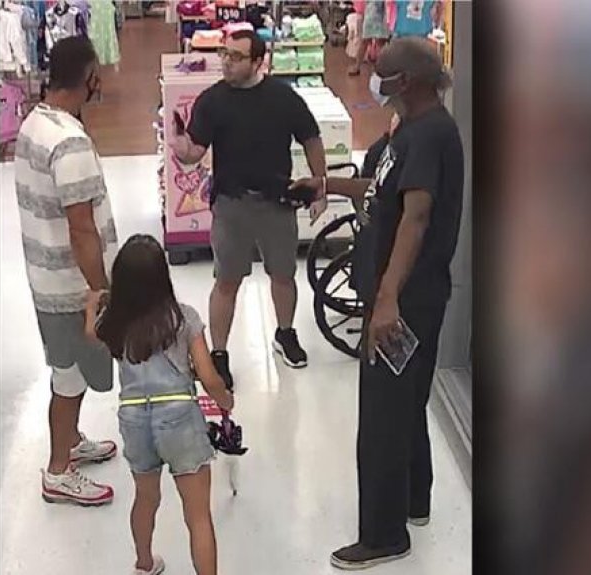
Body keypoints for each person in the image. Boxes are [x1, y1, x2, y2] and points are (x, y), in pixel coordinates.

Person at [294, 37, 464, 569]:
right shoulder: (409, 133)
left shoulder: (432, 135)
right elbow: (380, 191)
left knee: (384, 416)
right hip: (402, 294)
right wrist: (324, 183)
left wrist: (387, 298)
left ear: (406, 82)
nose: (370, 72)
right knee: (406, 405)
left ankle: (384, 535)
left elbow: (415, 217)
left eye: (380, 70)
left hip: (406, 300)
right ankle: (414, 500)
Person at [169, 29, 329, 386]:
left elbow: (311, 138)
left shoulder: (283, 98)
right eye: (225, 54)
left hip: (277, 201)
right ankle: (220, 353)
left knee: (283, 274)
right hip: (231, 203)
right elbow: (195, 152)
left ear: (259, 61)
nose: (227, 61)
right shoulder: (212, 101)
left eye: (237, 56)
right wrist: (182, 149)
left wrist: (321, 185)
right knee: (227, 280)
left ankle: (285, 334)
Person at [85, 234, 235, 575]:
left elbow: (91, 334)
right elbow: (209, 378)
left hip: (134, 417)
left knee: (145, 497)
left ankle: (144, 562)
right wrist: (225, 400)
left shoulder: (115, 322)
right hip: (179, 416)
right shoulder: (183, 318)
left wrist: (92, 306)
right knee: (197, 515)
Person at [13, 36, 120, 506]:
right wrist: (101, 291)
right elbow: (82, 229)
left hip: (45, 273)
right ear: (89, 77)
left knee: (65, 368)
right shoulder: (70, 141)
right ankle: (58, 470)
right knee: (69, 377)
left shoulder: (35, 122)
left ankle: (72, 441)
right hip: (73, 287)